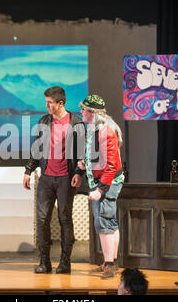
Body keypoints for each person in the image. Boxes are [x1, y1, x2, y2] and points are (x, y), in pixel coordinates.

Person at [23, 86, 85, 274]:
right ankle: (44, 262)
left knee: (65, 219)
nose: (46, 105)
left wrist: (78, 174)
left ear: (61, 103)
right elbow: (36, 149)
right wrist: (28, 171)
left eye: (49, 103)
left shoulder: (77, 123)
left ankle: (65, 262)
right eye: (46, 102)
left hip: (66, 178)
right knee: (42, 220)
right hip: (46, 178)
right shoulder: (44, 121)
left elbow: (82, 153)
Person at [78, 94, 124, 279]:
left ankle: (110, 265)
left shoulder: (105, 131)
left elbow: (111, 165)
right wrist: (85, 164)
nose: (81, 112)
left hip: (108, 182)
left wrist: (100, 189)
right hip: (105, 180)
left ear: (92, 112)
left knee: (104, 221)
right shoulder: (95, 128)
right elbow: (100, 157)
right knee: (109, 220)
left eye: (83, 109)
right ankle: (110, 261)